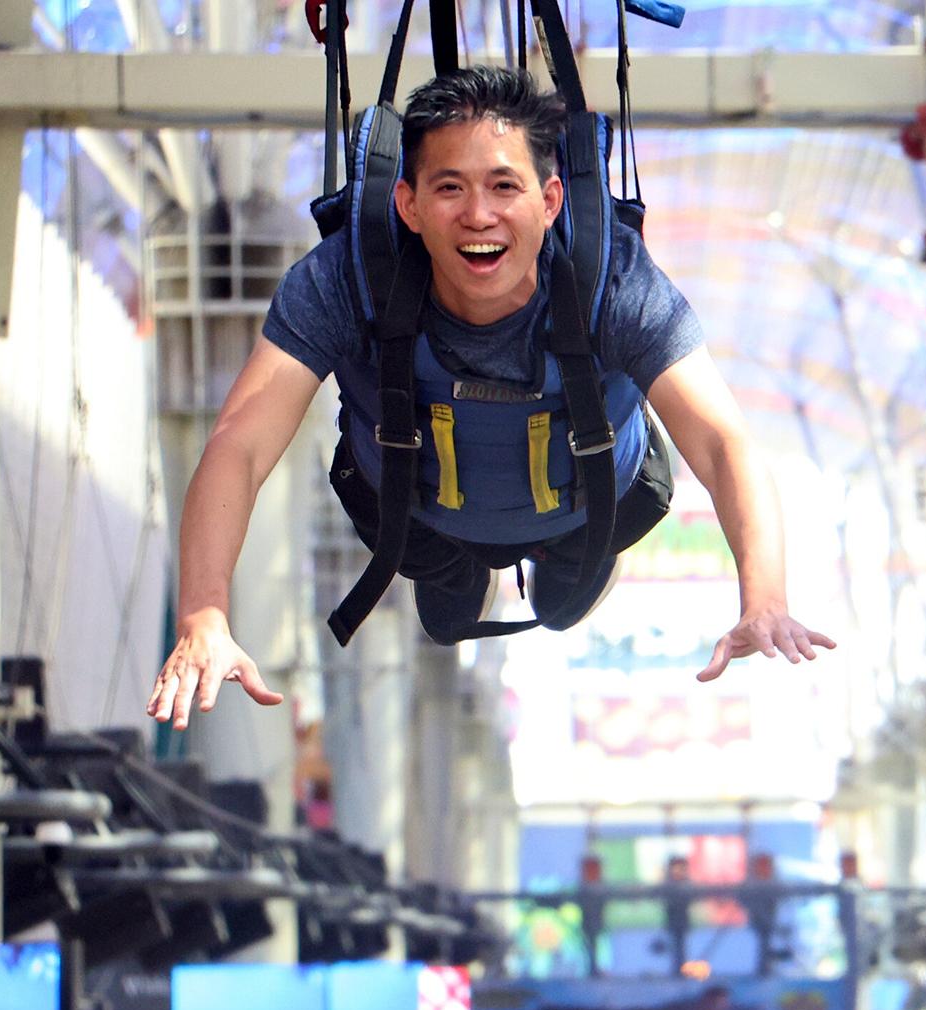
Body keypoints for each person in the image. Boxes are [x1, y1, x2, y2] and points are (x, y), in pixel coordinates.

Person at [148, 66, 834, 730]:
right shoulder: (348, 277)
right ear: (408, 205)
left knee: (568, 604)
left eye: (504, 186)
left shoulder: (615, 282)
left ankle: (570, 568)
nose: (478, 216)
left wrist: (764, 596)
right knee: (444, 610)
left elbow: (722, 441)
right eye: (449, 188)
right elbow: (239, 440)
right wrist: (202, 613)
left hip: (593, 506)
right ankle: (454, 574)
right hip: (413, 513)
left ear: (550, 200)